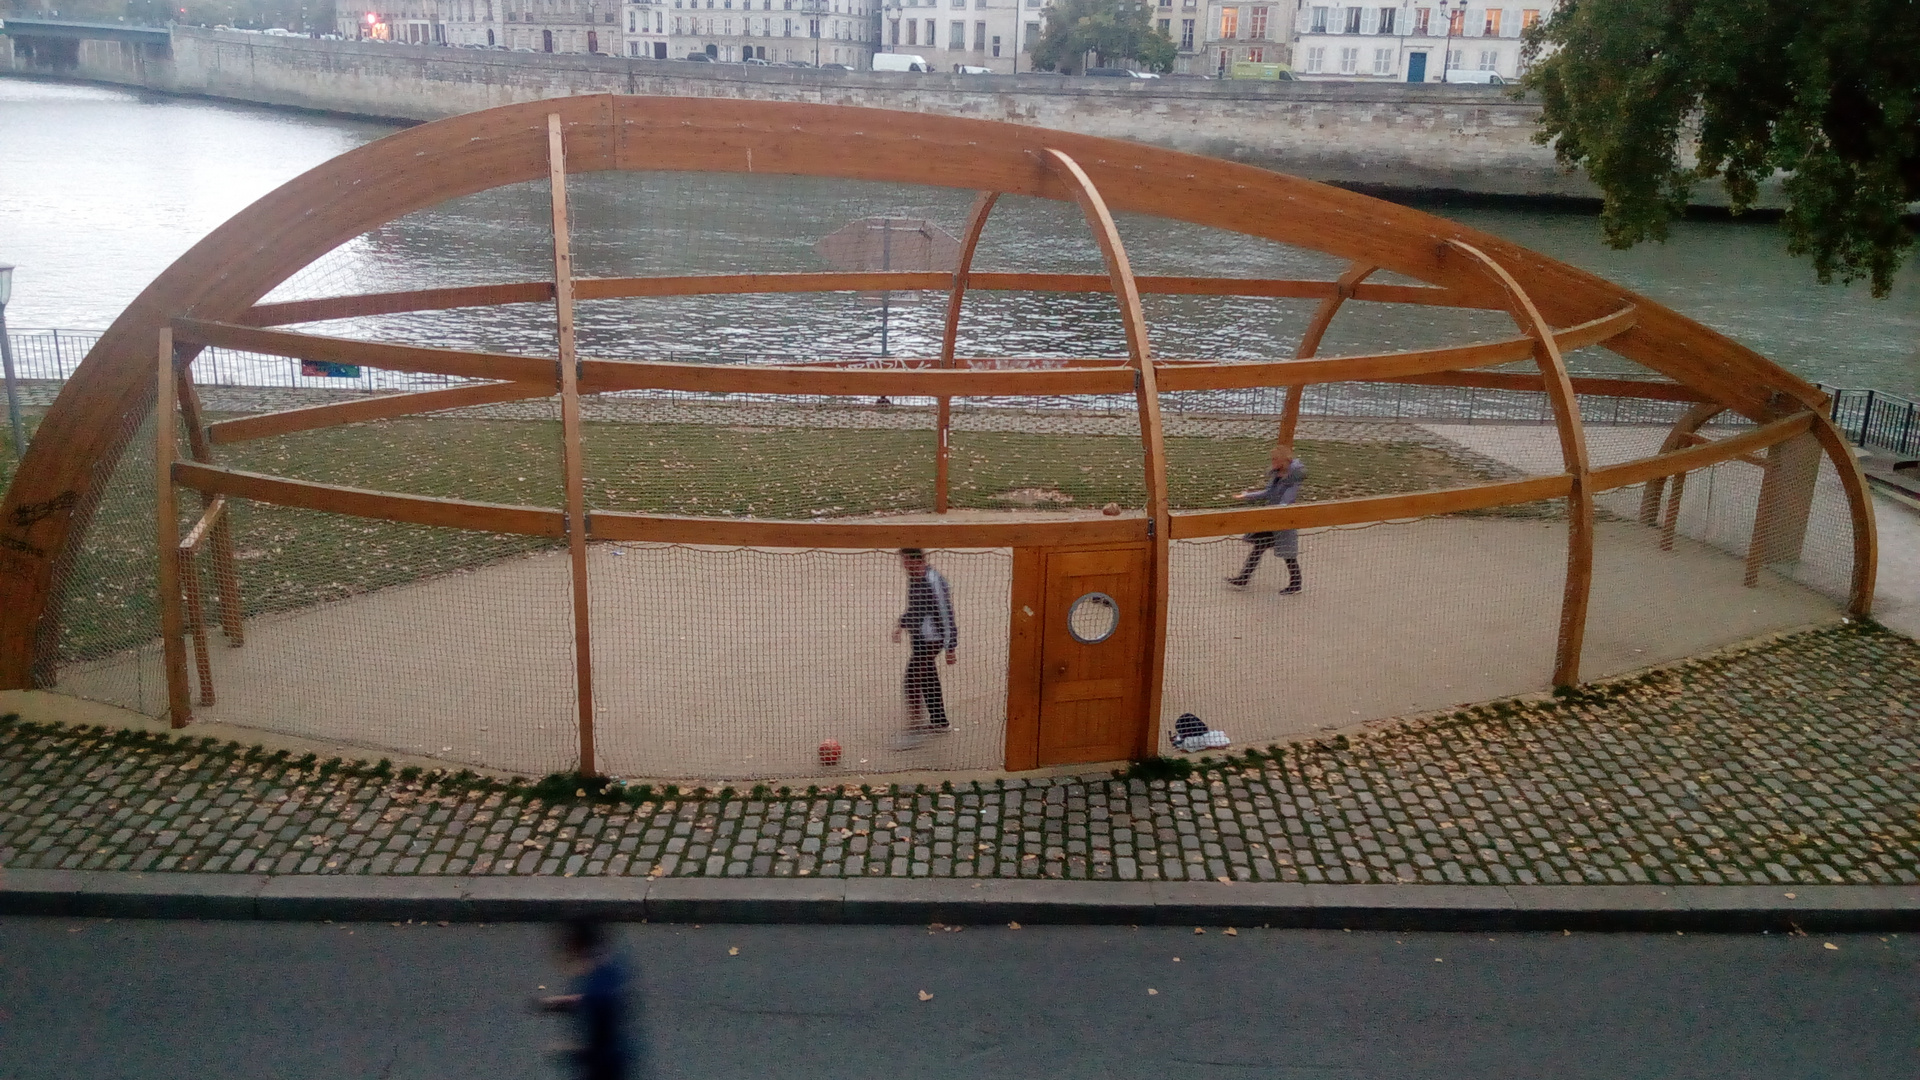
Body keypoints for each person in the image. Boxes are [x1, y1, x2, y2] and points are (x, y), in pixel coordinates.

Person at [538, 919, 636, 1080]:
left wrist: (572, 1051)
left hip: (605, 1066)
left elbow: (597, 1004)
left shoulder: (598, 982)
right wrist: (557, 1004)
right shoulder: (608, 966)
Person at [890, 547, 956, 748]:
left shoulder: (933, 581)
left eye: (906, 561)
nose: (903, 565)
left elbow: (946, 613)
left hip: (932, 640)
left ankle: (915, 730)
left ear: (915, 560)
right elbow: (916, 607)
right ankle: (939, 721)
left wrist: (950, 646)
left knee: (912, 678)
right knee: (928, 677)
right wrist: (902, 625)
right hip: (919, 638)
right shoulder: (914, 578)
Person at [1227, 444, 1305, 594]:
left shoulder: (1293, 478)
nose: (1273, 462)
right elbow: (1268, 493)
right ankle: (1243, 578)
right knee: (1259, 546)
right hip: (1272, 518)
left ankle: (1296, 584)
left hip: (1282, 520)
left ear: (1284, 460)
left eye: (1275, 459)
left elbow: (1288, 498)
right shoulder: (1277, 475)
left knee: (1288, 554)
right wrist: (1247, 496)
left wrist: (1279, 512)